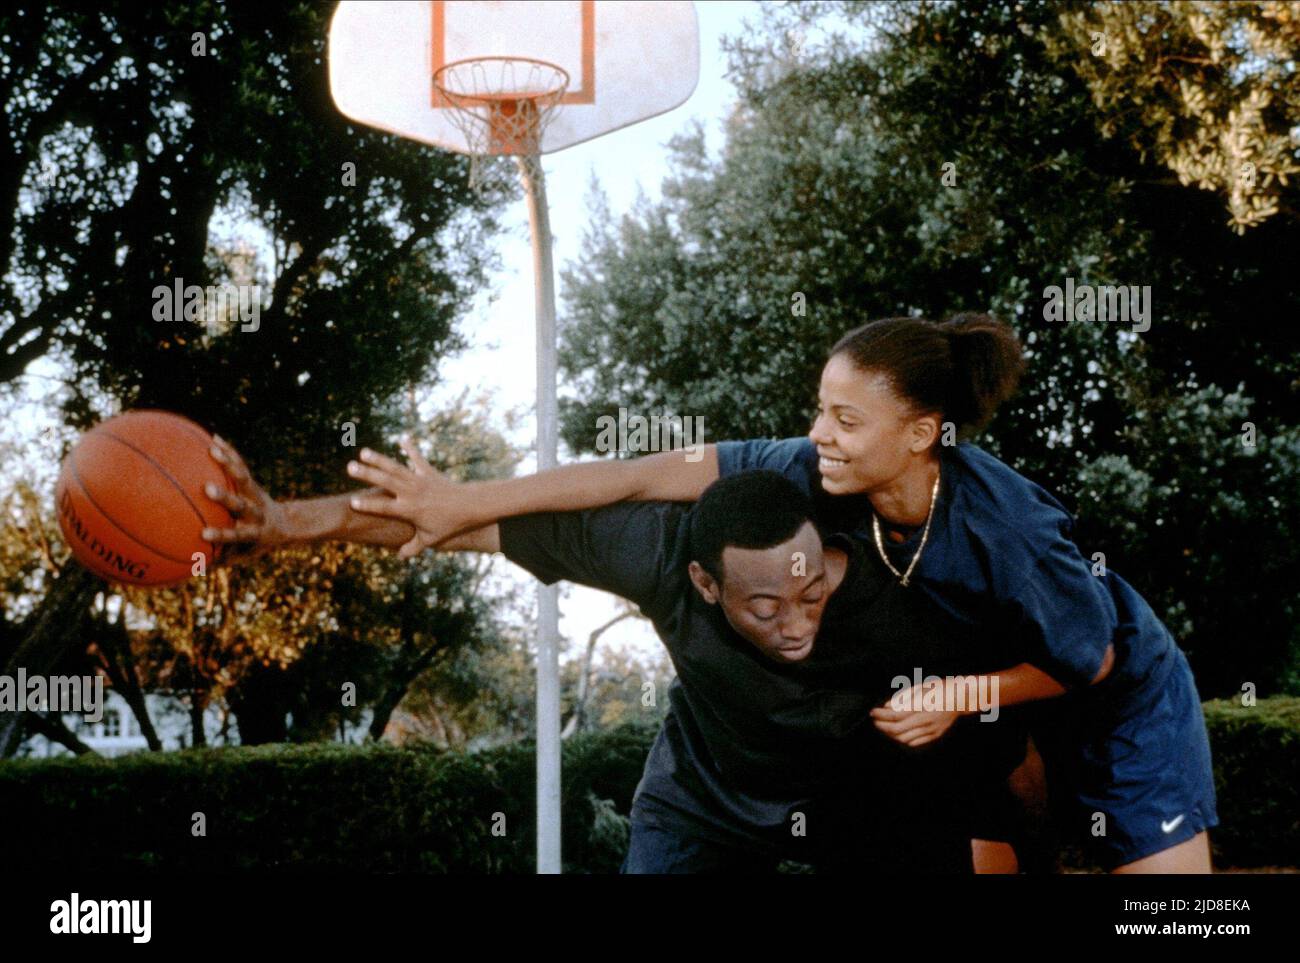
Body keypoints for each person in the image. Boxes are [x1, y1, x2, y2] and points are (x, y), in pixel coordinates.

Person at [335, 313, 1218, 874]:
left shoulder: (1009, 528)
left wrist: (958, 694)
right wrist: (468, 500)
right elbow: (638, 476)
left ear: (920, 433)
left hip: (1108, 689)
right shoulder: (810, 470)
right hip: (983, 700)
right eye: (820, 408)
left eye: (845, 419)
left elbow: (1092, 658)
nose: (817, 432)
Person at [202, 451, 1029, 873]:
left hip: (853, 796)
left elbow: (1009, 745)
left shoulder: (904, 595)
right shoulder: (654, 551)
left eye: (811, 593)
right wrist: (287, 522)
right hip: (703, 794)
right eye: (764, 607)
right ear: (704, 583)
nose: (795, 625)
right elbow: (453, 525)